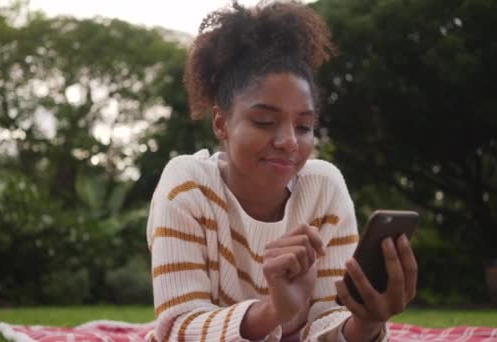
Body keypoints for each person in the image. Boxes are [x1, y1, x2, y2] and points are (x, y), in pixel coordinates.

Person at [145, 1, 417, 341]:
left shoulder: (324, 190)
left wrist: (366, 322)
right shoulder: (187, 186)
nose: (289, 141)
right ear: (221, 123)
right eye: (264, 121)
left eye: (304, 126)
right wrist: (273, 312)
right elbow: (176, 329)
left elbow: (329, 322)